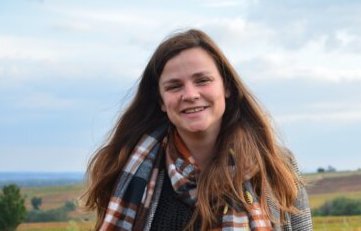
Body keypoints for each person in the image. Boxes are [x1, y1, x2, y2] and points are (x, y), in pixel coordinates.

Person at [82, 29, 312, 231]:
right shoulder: (127, 172)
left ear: (227, 87)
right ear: (161, 101)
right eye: (174, 86)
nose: (190, 95)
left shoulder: (276, 164)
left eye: (202, 80)